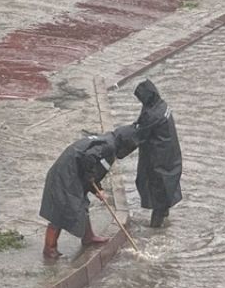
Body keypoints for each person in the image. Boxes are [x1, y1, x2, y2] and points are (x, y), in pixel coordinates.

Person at [40, 124, 139, 259]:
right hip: (65, 176)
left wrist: (98, 189)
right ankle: (49, 249)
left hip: (70, 173)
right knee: (60, 211)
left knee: (82, 204)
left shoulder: (107, 141)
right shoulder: (109, 147)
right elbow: (88, 158)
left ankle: (88, 237)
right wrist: (92, 179)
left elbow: (90, 165)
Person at [132, 79, 182, 227]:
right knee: (166, 191)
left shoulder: (152, 115)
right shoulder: (162, 105)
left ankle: (155, 230)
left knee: (158, 196)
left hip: (158, 162)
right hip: (170, 157)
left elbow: (139, 133)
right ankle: (164, 220)